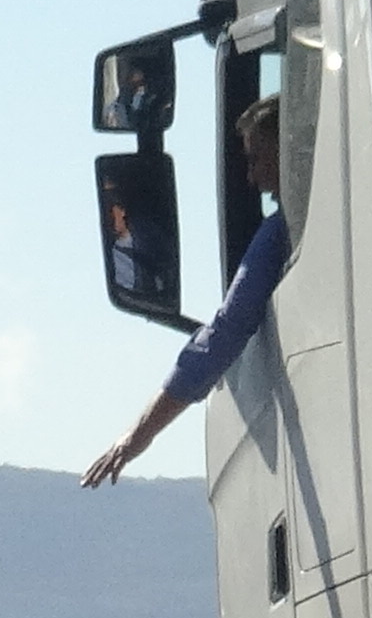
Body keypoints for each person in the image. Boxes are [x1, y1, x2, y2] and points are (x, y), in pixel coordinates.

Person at [84, 99, 284, 489]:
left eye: (257, 159)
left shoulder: (281, 232)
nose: (252, 178)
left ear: (291, 146)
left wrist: (139, 434)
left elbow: (227, 330)